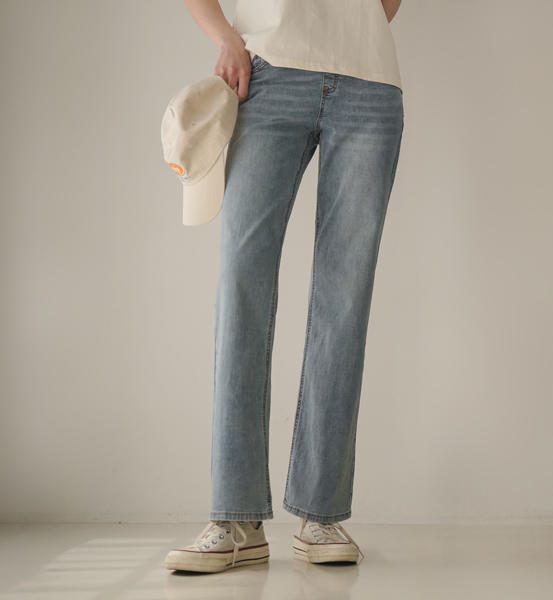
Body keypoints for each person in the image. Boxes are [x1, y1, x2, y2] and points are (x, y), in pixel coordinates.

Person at [165, 0, 405, 573]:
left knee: (345, 301)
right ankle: (236, 517)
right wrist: (228, 39)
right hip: (267, 75)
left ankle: (321, 513)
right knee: (241, 289)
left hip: (369, 82)